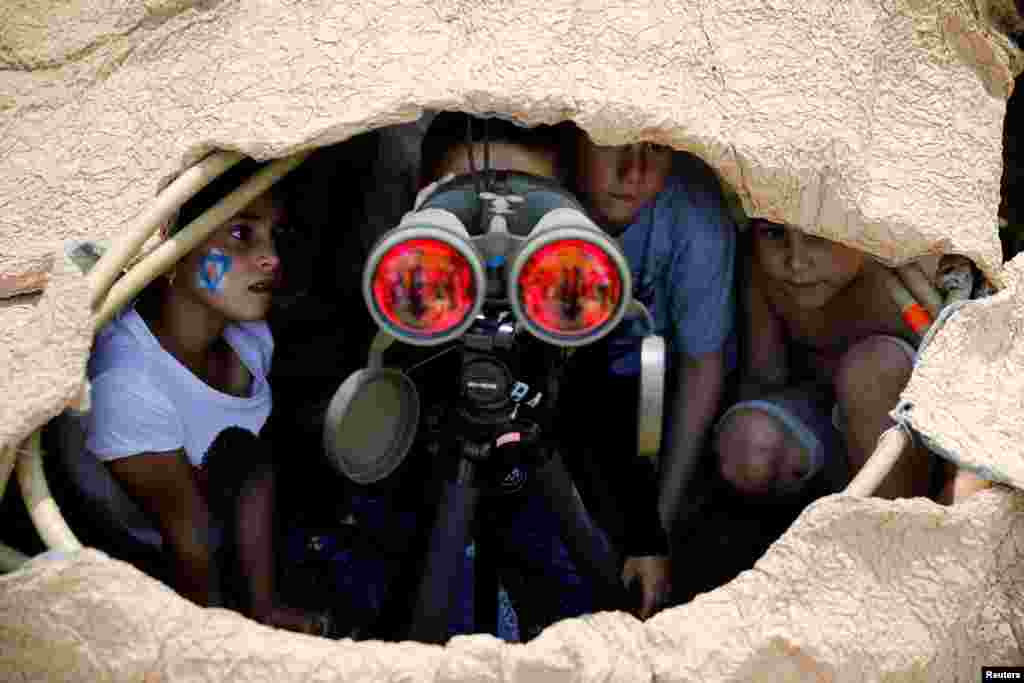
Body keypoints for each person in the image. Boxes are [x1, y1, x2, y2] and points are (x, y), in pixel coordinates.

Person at [83, 158, 322, 634]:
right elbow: (190, 545)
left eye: (275, 235)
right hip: (141, 564)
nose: (271, 257)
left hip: (220, 530)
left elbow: (254, 468)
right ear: (173, 250)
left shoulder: (250, 343)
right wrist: (222, 643)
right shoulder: (129, 383)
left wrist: (263, 606)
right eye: (240, 234)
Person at [564, 132, 738, 614]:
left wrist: (656, 530)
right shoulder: (544, 191)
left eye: (655, 148)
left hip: (647, 398)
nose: (633, 172)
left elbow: (703, 368)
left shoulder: (692, 214)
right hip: (557, 388)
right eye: (612, 140)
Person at [713, 220, 933, 499]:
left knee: (871, 369)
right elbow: (766, 378)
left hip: (916, 443)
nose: (796, 262)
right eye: (774, 232)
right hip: (826, 429)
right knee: (749, 443)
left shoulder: (912, 279)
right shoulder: (762, 269)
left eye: (818, 235)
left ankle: (890, 529)